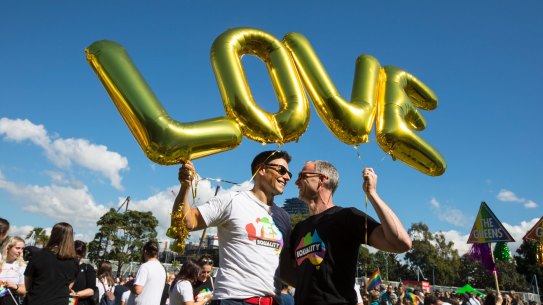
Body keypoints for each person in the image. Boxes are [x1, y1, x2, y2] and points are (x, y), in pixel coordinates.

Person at [172, 150, 293, 304]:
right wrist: (185, 187)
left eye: (289, 173)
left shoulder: (284, 218)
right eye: (282, 170)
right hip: (234, 300)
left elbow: (286, 268)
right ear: (261, 169)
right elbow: (185, 222)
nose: (287, 177)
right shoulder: (233, 201)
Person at [290, 161, 412, 305]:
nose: (296, 181)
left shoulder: (347, 217)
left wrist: (372, 193)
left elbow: (401, 243)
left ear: (322, 179)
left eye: (302, 175)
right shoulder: (299, 229)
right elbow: (294, 273)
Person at [24, 222, 79, 305]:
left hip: (36, 300)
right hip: (60, 301)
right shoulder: (74, 261)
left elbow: (28, 283)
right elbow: (70, 284)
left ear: (53, 234)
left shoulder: (38, 255)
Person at [126, 240, 166, 305]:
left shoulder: (145, 266)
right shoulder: (162, 269)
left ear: (145, 252)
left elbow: (137, 290)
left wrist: (129, 285)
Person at [0, 236, 26, 305]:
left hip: (10, 300)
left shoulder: (21, 266)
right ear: (8, 248)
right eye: (17, 248)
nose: (20, 251)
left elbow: (24, 290)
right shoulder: (0, 262)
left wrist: (15, 287)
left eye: (22, 249)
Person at [70, 240, 97, 305]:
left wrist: (75, 294)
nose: (77, 255)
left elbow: (91, 291)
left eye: (80, 253)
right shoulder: (66, 266)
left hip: (81, 302)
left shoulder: (88, 268)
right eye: (76, 252)